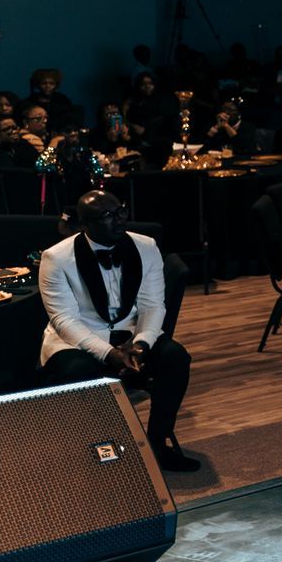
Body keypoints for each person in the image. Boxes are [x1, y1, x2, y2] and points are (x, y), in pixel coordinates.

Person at [39, 191, 198, 471]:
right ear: (85, 225)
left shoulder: (146, 246)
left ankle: (158, 445)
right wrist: (108, 353)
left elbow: (152, 305)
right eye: (108, 216)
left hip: (132, 333)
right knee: (77, 372)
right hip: (79, 338)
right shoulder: (56, 258)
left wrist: (142, 344)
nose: (120, 219)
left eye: (121, 211)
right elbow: (64, 320)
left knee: (176, 357)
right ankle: (102, 450)